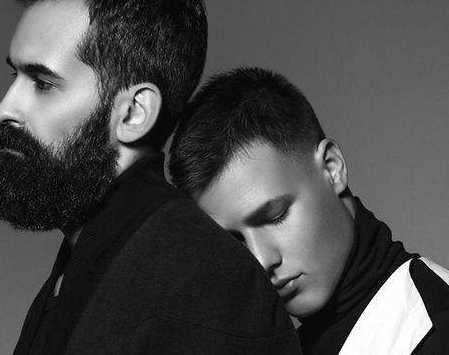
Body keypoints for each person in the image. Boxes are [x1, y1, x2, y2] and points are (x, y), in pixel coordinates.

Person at [0, 0, 300, 355]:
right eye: (15, 77)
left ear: (134, 113)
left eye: (42, 83)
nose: (4, 109)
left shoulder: (197, 282)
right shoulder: (88, 266)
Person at [169, 67, 449, 354]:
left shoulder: (435, 330)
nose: (262, 260)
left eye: (276, 216)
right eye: (234, 241)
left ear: (332, 168)